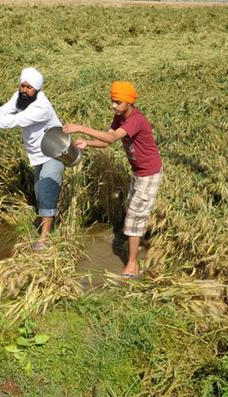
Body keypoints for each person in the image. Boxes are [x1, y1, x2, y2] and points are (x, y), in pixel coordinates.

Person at [63, 81, 163, 278]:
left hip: (149, 173)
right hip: (138, 172)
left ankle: (132, 265)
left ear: (128, 102)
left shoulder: (136, 120)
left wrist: (80, 128)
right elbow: (106, 141)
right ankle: (139, 241)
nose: (114, 106)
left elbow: (111, 139)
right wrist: (87, 143)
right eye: (112, 101)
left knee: (134, 216)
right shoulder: (119, 117)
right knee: (133, 210)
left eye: (117, 102)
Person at [0, 67, 64, 251]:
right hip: (37, 154)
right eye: (23, 85)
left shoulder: (41, 107)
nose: (25, 90)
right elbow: (5, 112)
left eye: (29, 87)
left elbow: (16, 120)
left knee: (46, 191)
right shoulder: (19, 97)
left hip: (54, 151)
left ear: (37, 89)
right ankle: (45, 223)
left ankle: (44, 239)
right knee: (38, 192)